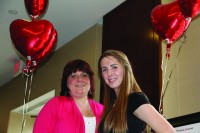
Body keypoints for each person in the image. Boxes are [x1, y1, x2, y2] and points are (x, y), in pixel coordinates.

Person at [97, 50, 176, 133]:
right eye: (104, 69)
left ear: (126, 69)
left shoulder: (135, 99)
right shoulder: (111, 106)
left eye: (114, 67)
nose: (109, 73)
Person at [33, 59, 103, 133]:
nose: (79, 79)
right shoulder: (55, 105)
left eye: (84, 75)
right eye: (73, 76)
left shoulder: (103, 110)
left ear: (90, 81)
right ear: (66, 83)